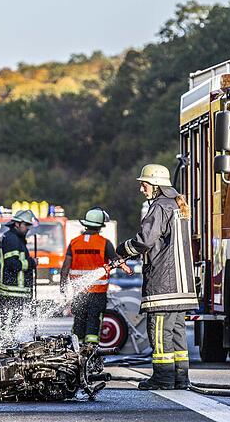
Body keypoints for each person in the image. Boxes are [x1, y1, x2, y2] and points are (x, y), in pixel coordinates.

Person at [116, 164, 197, 390]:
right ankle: (181, 378)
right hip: (182, 285)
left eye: (144, 184)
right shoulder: (177, 206)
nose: (142, 189)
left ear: (155, 185)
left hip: (164, 284)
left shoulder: (160, 207)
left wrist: (122, 249)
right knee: (177, 333)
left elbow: (145, 240)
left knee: (160, 332)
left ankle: (163, 378)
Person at [60, 207, 124, 344]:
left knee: (78, 324)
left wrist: (63, 289)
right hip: (97, 294)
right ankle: (91, 354)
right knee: (93, 324)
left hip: (79, 293)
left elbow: (65, 268)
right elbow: (116, 261)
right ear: (100, 226)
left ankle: (76, 354)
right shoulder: (104, 244)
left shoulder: (74, 243)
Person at [0, 210, 37, 338]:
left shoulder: (14, 238)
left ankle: (6, 343)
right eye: (26, 225)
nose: (28, 228)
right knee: (9, 321)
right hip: (12, 289)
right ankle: (4, 345)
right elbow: (12, 264)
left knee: (12, 321)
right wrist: (31, 262)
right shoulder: (12, 239)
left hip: (15, 290)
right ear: (17, 224)